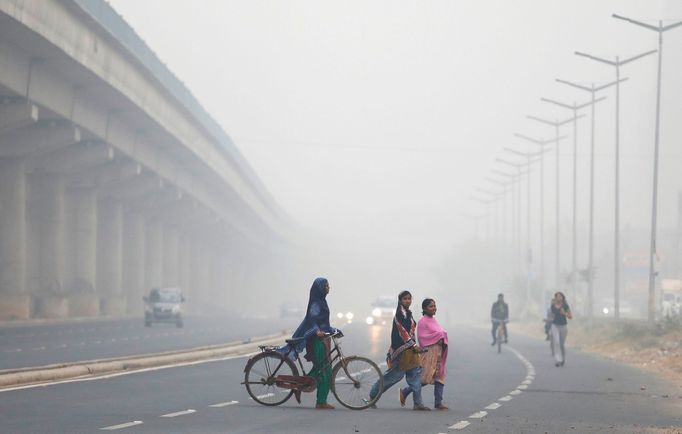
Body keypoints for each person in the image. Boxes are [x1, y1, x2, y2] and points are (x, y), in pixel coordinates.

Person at [369, 290, 430, 411]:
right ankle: (372, 396)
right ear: (400, 301)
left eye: (409, 298)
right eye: (405, 299)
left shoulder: (409, 314)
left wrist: (413, 347)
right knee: (392, 378)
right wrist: (413, 345)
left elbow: (411, 332)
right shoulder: (399, 315)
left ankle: (418, 403)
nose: (407, 301)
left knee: (415, 377)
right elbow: (403, 333)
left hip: (411, 353)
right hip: (401, 353)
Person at [284, 277, 337, 409]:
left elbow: (323, 322)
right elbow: (312, 320)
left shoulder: (321, 301)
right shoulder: (316, 304)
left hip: (323, 339)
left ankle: (302, 387)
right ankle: (320, 402)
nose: (328, 288)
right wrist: (317, 331)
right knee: (323, 369)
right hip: (316, 341)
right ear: (320, 288)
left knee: (323, 368)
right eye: (326, 286)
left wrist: (334, 330)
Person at [400, 298, 449, 410]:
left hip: (438, 353)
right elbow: (422, 338)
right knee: (424, 378)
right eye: (431, 306)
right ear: (424, 308)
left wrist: (441, 336)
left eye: (434, 306)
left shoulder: (434, 320)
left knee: (440, 376)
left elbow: (439, 333)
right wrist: (440, 336)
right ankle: (405, 392)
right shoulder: (422, 322)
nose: (434, 308)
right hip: (429, 354)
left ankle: (438, 402)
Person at [551, 291, 572, 367]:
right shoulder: (553, 306)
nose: (559, 297)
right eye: (557, 296)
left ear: (563, 297)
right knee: (556, 342)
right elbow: (553, 312)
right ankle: (558, 360)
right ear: (555, 298)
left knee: (561, 344)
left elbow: (570, 316)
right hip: (555, 325)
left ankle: (563, 358)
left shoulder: (565, 305)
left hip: (563, 326)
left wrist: (565, 313)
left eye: (560, 296)